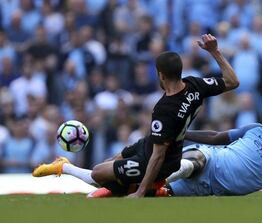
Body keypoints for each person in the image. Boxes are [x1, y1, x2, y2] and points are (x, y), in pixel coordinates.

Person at [32, 34, 240, 198]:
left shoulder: (164, 109)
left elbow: (158, 155)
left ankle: (66, 167)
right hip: (150, 143)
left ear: (160, 75)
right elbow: (232, 82)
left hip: (162, 158)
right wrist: (215, 52)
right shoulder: (195, 84)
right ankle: (126, 188)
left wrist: (140, 193)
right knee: (111, 163)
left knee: (98, 174)